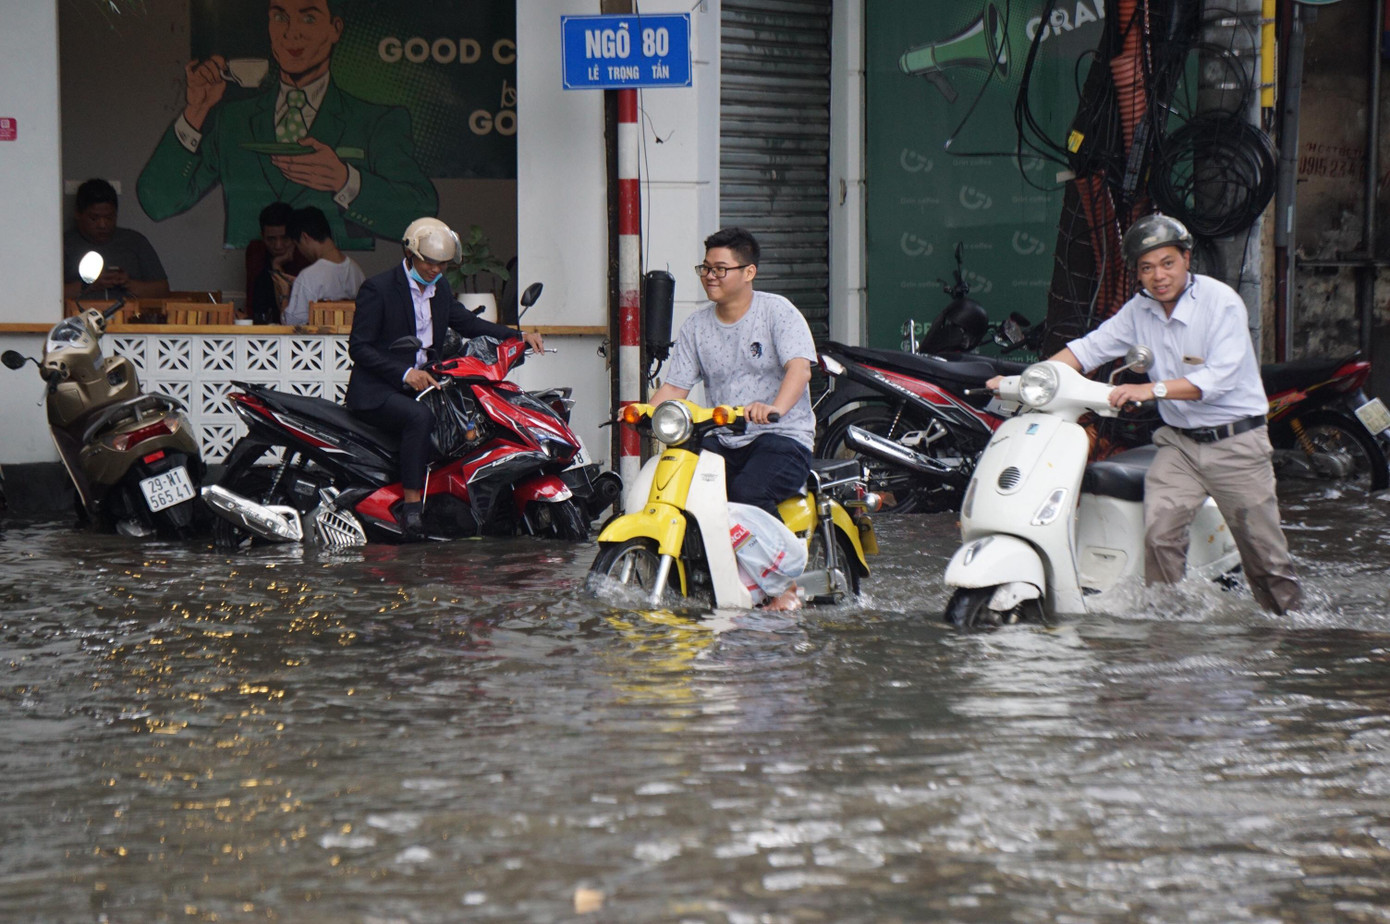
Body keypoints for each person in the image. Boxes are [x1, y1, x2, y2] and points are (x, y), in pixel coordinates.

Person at [1021, 213, 1301, 614]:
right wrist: (1035, 379)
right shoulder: (1139, 310)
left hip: (1236, 443)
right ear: (1138, 274)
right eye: (1147, 268)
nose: (1159, 276)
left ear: (1187, 259)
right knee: (1159, 537)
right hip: (1180, 445)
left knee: (1265, 557)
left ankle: (1291, 629)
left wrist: (1148, 390)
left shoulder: (1221, 303)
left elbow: (1216, 378)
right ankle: (1168, 625)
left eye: (1167, 263)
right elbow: (1089, 348)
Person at [137, 0, 437, 249]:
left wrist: (345, 180)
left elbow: (421, 215)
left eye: (308, 18)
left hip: (334, 292)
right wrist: (196, 112)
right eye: (280, 17)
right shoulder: (233, 121)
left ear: (335, 29)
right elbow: (157, 202)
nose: (291, 32)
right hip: (254, 288)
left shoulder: (376, 121)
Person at [343, 217, 543, 542]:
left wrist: (517, 337)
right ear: (410, 255)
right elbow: (359, 348)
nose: (435, 270)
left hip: (426, 385)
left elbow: (466, 323)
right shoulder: (378, 289)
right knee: (420, 418)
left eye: (442, 265)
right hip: (377, 390)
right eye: (429, 262)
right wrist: (406, 373)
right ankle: (411, 509)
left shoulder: (440, 289)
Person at [648, 227, 818, 608]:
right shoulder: (696, 326)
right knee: (683, 495)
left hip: (781, 437)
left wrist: (775, 408)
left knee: (748, 494)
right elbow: (675, 387)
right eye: (705, 268)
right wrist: (642, 411)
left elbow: (799, 370)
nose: (710, 276)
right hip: (723, 437)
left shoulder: (778, 312)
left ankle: (784, 585)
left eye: (721, 268)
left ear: (749, 272)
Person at [62, 178, 171, 300]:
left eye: (109, 218)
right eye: (94, 218)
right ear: (78, 214)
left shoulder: (136, 242)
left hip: (129, 316)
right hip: (80, 316)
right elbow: (47, 294)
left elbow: (163, 290)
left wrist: (128, 284)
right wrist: (89, 285)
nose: (102, 225)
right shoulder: (63, 245)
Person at [281, 206, 364, 327]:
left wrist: (284, 294)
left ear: (305, 237)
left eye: (297, 245)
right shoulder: (356, 270)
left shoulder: (308, 276)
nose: (300, 252)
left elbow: (292, 324)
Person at [246, 201, 310, 324]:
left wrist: (276, 266)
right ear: (262, 236)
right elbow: (253, 303)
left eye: (285, 238)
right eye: (271, 239)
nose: (278, 246)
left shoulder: (305, 255)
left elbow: (294, 313)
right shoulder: (257, 252)